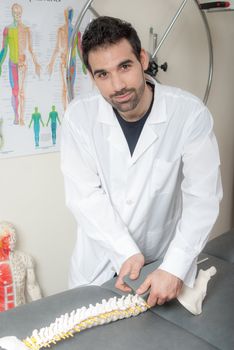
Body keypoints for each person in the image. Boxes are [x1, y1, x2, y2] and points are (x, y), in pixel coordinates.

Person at [60, 16, 222, 307]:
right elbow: (84, 196)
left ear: (143, 59)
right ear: (91, 76)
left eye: (124, 66)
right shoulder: (79, 118)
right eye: (103, 74)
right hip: (96, 265)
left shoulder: (189, 115)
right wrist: (125, 252)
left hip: (159, 265)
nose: (117, 85)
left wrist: (175, 266)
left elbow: (203, 198)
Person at [0, 3, 41, 125]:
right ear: (12, 13)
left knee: (22, 91)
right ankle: (16, 115)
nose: (17, 15)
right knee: (15, 91)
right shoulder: (7, 29)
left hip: (23, 63)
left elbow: (30, 48)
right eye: (15, 13)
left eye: (19, 13)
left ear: (21, 13)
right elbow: (4, 49)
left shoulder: (26, 29)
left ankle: (21, 117)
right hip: (12, 63)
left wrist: (36, 63)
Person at [47, 7, 87, 111]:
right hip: (64, 62)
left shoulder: (76, 31)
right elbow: (57, 47)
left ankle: (69, 111)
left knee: (70, 88)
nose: (68, 17)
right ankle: (66, 112)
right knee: (65, 88)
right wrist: (51, 63)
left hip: (71, 63)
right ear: (65, 16)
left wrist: (84, 62)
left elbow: (79, 48)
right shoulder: (61, 30)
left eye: (70, 15)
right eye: (67, 15)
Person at [0, 221, 42, 311]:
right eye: (6, 238)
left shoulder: (24, 259)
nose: (12, 241)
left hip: (19, 312)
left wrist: (41, 309)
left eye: (12, 237)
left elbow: (32, 286)